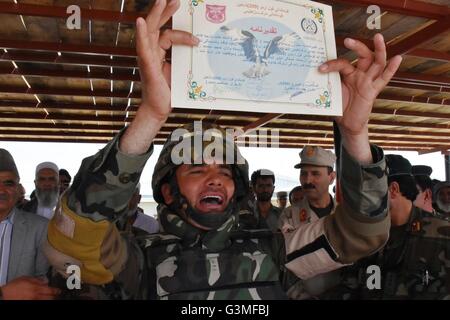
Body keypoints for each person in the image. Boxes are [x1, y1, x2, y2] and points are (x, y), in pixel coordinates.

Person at [43, 0, 401, 300]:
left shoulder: (278, 251)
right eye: (196, 169)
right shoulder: (136, 261)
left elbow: (362, 235)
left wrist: (354, 132)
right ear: (167, 190)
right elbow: (73, 240)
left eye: (225, 172)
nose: (215, 180)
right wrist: (150, 115)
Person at [324, 155, 450, 300]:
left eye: (367, 193)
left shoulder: (442, 235)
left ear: (394, 189)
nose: (360, 200)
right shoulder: (364, 234)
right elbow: (350, 287)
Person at [0, 149, 58, 300]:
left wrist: (73, 289)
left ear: (18, 189)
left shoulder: (40, 227)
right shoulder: (28, 209)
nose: (1, 190)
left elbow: (47, 276)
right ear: (35, 183)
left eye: (8, 183)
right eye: (42, 179)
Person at [279, 146, 337, 234]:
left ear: (331, 178)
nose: (307, 180)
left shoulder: (347, 215)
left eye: (315, 174)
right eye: (303, 174)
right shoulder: (289, 216)